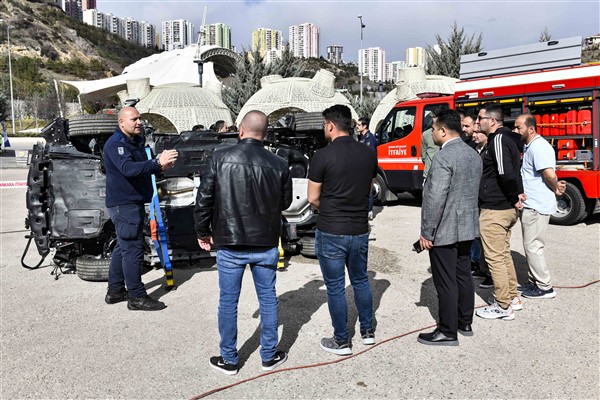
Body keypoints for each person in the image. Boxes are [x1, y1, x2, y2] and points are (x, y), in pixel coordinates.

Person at [194, 110, 292, 375]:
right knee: (268, 298)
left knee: (228, 302)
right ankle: (269, 355)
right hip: (266, 243)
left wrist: (202, 231)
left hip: (230, 242)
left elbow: (204, 199)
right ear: (266, 134)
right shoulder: (279, 164)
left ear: (241, 131)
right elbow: (285, 203)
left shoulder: (220, 158)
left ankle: (229, 359)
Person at [308, 105, 377, 356]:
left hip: (331, 228)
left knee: (336, 286)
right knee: (360, 280)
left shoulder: (322, 156)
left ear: (330, 125)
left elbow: (313, 197)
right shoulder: (368, 154)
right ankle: (367, 331)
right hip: (359, 228)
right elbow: (369, 189)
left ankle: (341, 340)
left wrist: (331, 208)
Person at [417, 109, 482, 346]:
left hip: (444, 227)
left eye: (433, 129)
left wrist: (427, 231)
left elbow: (435, 197)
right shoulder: (472, 154)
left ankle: (447, 330)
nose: (432, 133)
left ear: (443, 131)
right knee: (463, 274)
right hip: (466, 225)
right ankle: (465, 321)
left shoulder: (443, 158)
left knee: (445, 281)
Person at [103, 106, 178, 311]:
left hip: (130, 202)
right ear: (121, 123)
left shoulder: (132, 142)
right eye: (134, 119)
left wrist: (159, 167)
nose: (139, 122)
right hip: (124, 205)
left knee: (123, 246)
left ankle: (116, 291)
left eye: (139, 119)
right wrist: (155, 162)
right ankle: (136, 297)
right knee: (132, 250)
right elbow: (127, 169)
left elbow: (141, 170)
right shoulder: (116, 144)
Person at [475, 103, 524, 321]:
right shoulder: (510, 139)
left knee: (494, 257)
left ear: (492, 121)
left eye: (480, 119)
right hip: (505, 207)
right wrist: (517, 196)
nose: (477, 123)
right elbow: (515, 171)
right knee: (503, 254)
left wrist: (515, 196)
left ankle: (503, 305)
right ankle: (512, 297)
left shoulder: (498, 140)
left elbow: (506, 173)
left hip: (496, 208)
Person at [514, 114, 566, 299]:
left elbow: (549, 174)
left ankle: (545, 287)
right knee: (530, 246)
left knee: (533, 247)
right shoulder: (530, 146)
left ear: (531, 129)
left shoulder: (539, 147)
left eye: (519, 127)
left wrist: (556, 189)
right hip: (531, 204)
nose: (516, 130)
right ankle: (534, 282)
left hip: (536, 206)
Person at [471, 128, 493, 288]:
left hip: (487, 202)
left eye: (478, 131)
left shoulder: (489, 152)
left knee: (488, 240)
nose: (473, 134)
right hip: (476, 201)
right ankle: (482, 268)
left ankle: (491, 275)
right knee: (478, 238)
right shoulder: (476, 149)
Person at [357, 117, 377, 219]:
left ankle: (369, 210)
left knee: (368, 189)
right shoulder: (361, 137)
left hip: (369, 167)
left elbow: (370, 155)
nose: (357, 126)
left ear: (365, 126)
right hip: (361, 167)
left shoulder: (370, 138)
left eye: (359, 125)